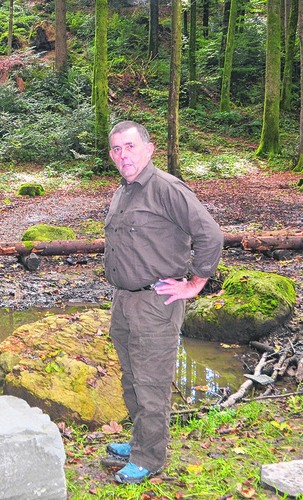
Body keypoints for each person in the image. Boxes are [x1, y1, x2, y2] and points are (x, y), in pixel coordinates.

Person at [101, 121, 223, 484]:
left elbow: (210, 234)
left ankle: (149, 457)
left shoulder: (166, 188)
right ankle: (141, 440)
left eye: (130, 146)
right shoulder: (124, 190)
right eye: (116, 149)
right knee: (131, 378)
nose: (123, 155)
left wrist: (195, 284)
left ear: (149, 148)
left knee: (151, 382)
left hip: (156, 302)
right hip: (124, 300)